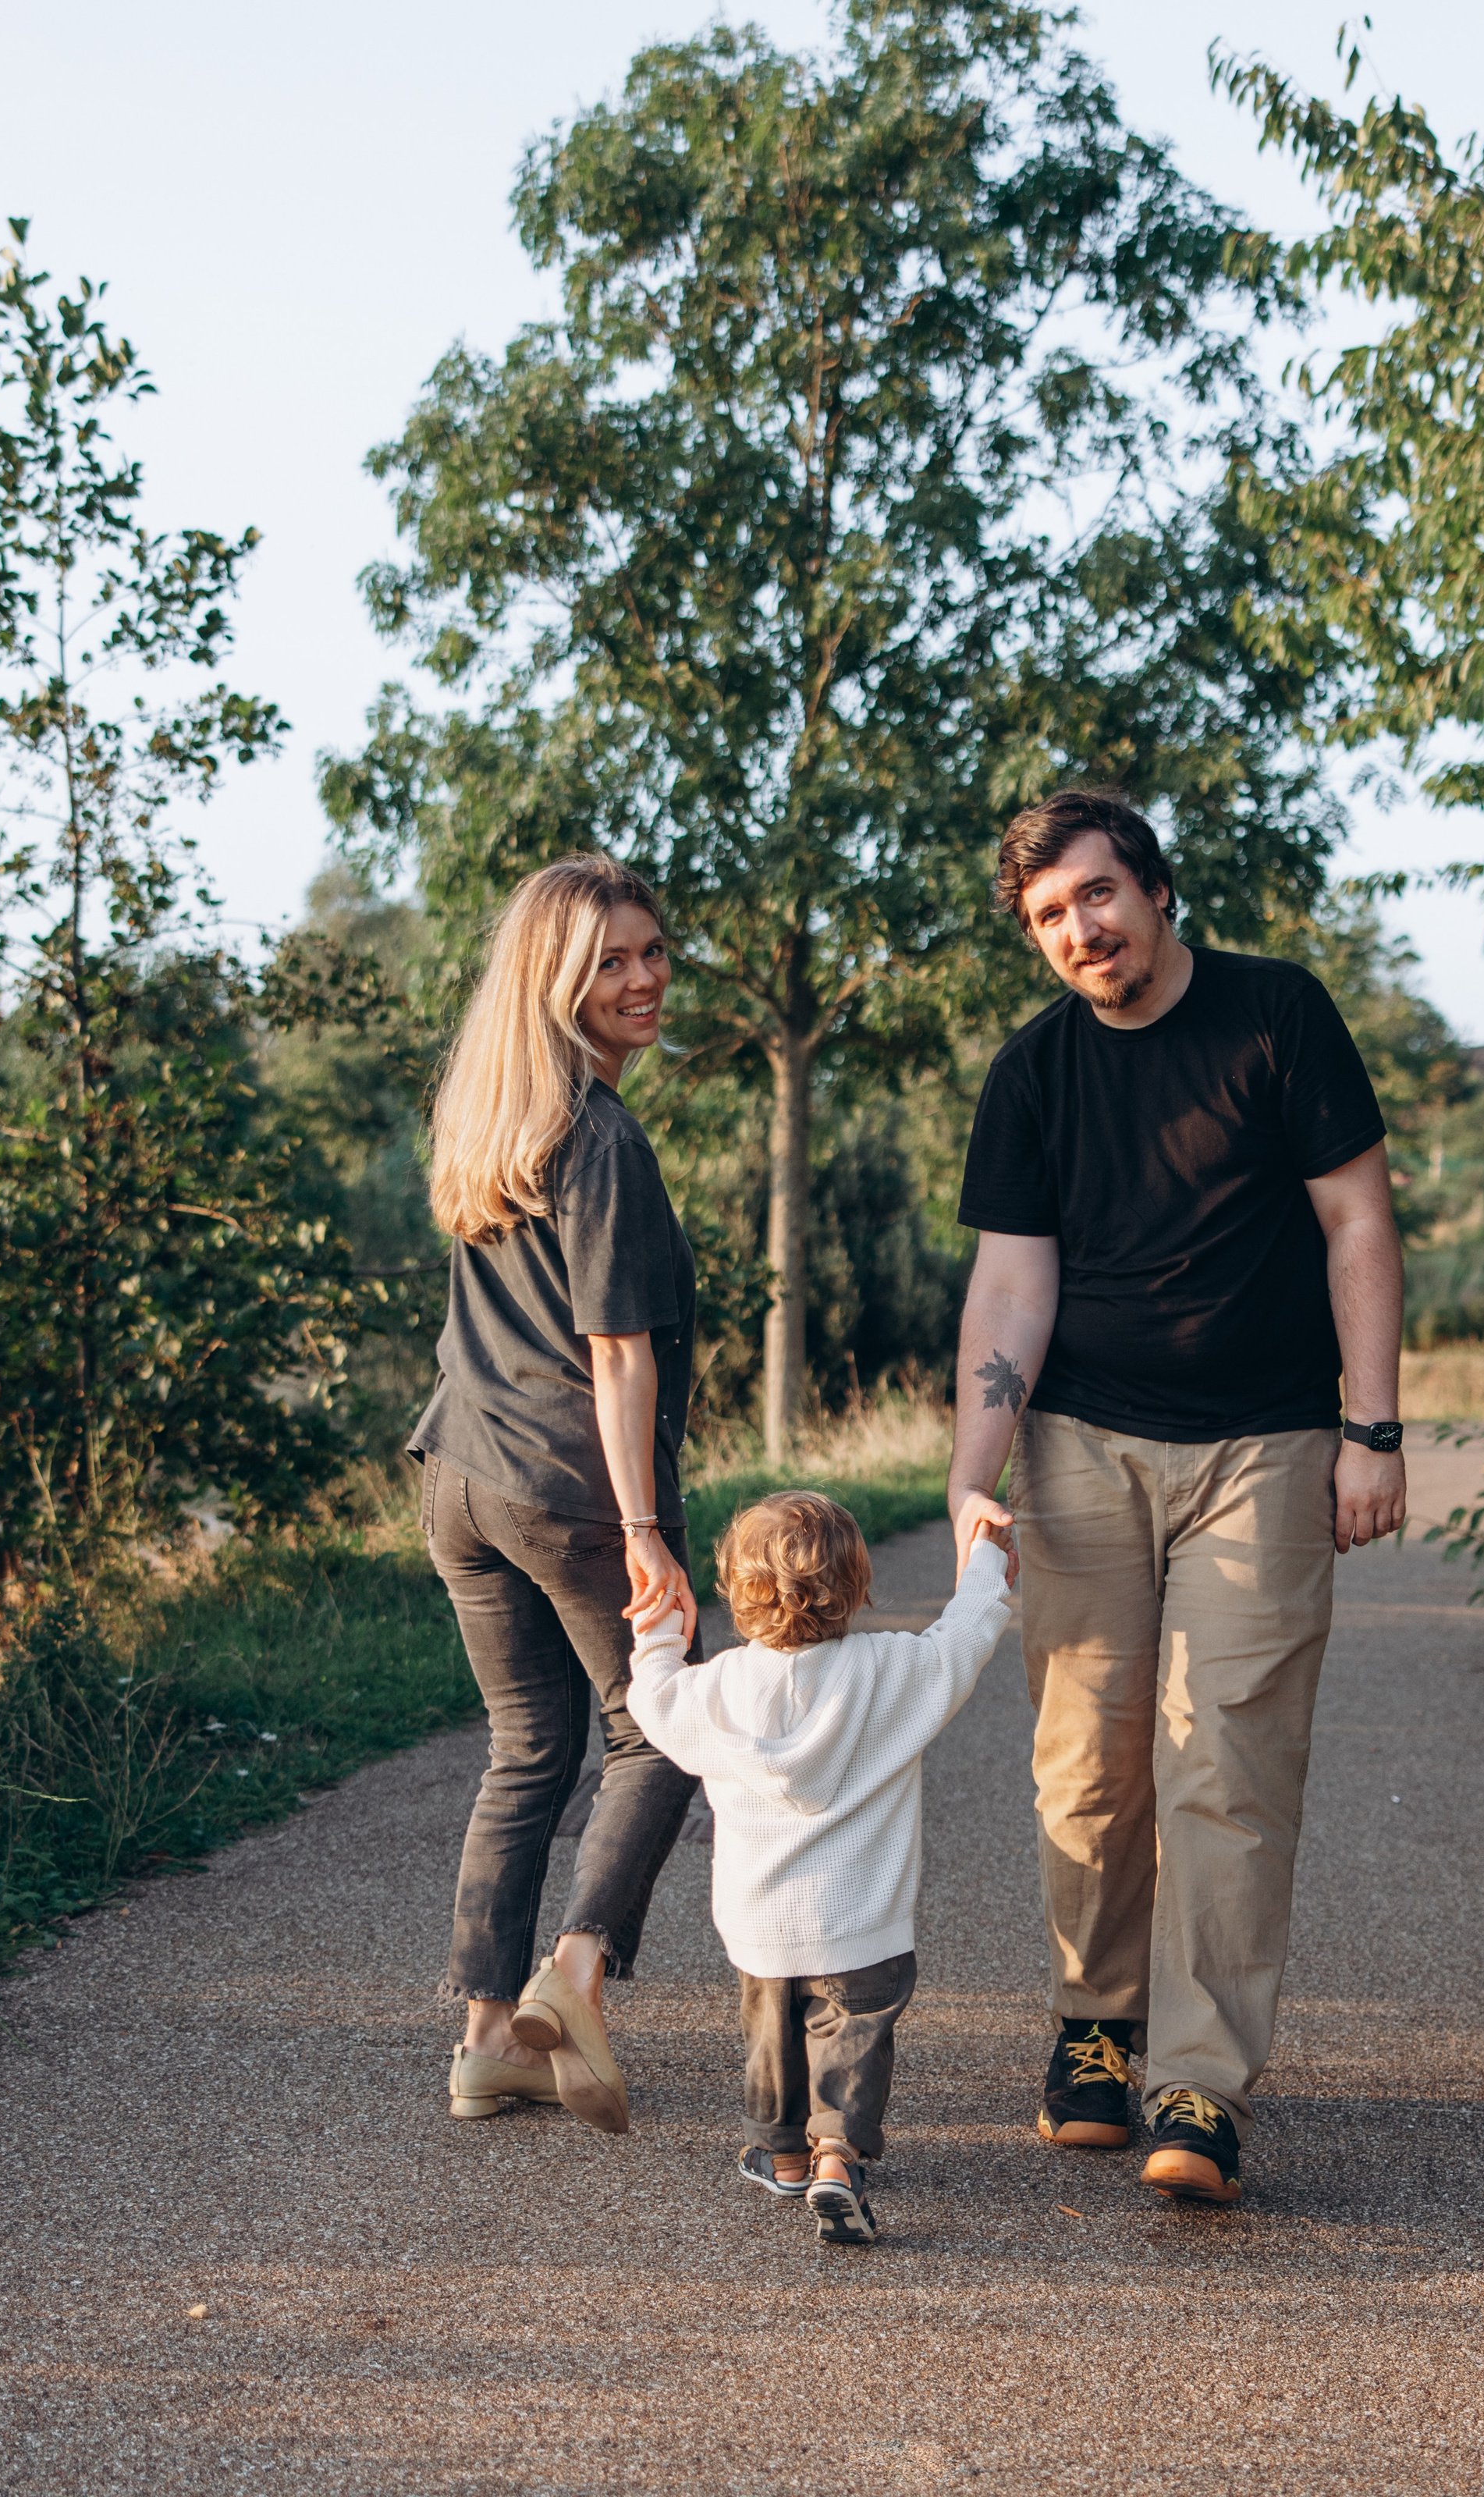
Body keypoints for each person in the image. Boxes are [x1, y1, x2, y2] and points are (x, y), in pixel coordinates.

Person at [946, 787, 1407, 2205]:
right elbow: (1013, 1286)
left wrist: (1372, 1427)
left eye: (1095, 895)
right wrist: (971, 1478)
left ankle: (1200, 2080)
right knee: (1088, 1761)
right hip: (1081, 1440)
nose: (1078, 930)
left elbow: (1357, 1219)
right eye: (1047, 917)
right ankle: (1096, 2027)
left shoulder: (1278, 1017)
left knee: (1227, 1763)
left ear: (1151, 890)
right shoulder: (1033, 1077)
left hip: (1266, 1446)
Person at [411, 854, 702, 2135]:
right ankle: (573, 1978)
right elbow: (618, 1348)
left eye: (650, 951)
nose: (642, 980)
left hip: (458, 1475)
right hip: (567, 1487)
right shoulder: (599, 1133)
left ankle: (487, 2047)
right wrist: (643, 1531)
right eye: (611, 962)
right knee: (665, 1725)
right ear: (557, 980)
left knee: (529, 1747)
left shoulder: (495, 1114)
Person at [627, 1492, 1014, 2243]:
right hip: (861, 1919)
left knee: (770, 2036)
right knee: (854, 2033)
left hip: (761, 1923)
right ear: (859, 1587)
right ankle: (837, 2156)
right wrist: (987, 1562)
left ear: (736, 1598)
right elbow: (963, 1641)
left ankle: (783, 2155)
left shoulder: (719, 1689)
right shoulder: (891, 1671)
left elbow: (655, 1697)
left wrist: (657, 1631)